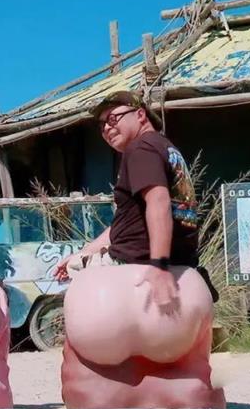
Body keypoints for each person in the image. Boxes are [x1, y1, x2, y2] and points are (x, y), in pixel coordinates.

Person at [55, 90, 216, 310]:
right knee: (78, 260)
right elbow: (128, 221)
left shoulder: (141, 147)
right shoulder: (165, 148)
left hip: (133, 262)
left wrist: (159, 265)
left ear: (140, 115)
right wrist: (86, 251)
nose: (107, 128)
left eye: (113, 118)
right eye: (102, 125)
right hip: (185, 264)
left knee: (74, 281)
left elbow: (158, 201)